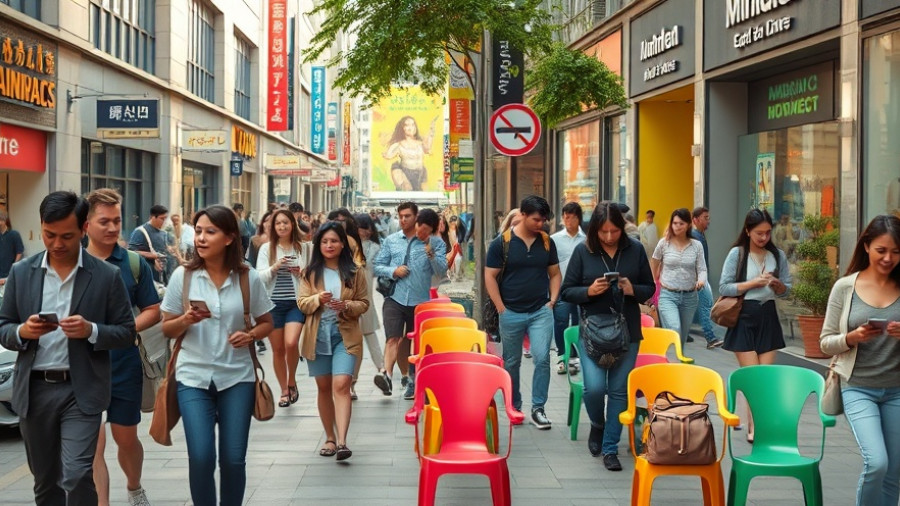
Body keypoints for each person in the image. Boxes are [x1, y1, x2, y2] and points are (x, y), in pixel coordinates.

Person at [0, 191, 135, 505]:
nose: (57, 244)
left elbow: (126, 333)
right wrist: (23, 330)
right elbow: (4, 327)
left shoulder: (106, 276)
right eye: (49, 235)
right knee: (45, 482)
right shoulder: (22, 273)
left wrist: (91, 330)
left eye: (67, 236)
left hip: (81, 390)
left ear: (84, 228)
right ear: (41, 227)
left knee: (74, 473)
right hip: (34, 391)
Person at [160, 205, 274, 506]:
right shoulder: (183, 277)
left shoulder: (248, 278)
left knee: (233, 460)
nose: (201, 237)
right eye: (198, 231)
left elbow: (267, 323)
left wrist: (249, 335)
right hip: (192, 377)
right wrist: (185, 319)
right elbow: (166, 329)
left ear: (229, 238)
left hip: (237, 377)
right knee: (201, 458)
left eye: (210, 231)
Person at [561, 202, 654, 471]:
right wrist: (589, 291)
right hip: (591, 332)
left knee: (617, 392)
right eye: (604, 232)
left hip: (627, 333)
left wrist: (630, 289)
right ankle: (597, 425)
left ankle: (610, 449)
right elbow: (567, 292)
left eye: (614, 231)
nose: (610, 237)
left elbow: (648, 289)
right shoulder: (583, 251)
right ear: (595, 230)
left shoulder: (634, 249)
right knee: (594, 388)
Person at [83, 189, 160, 506]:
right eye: (105, 221)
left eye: (117, 220)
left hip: (124, 362)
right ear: (86, 224)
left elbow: (152, 309)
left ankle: (134, 485)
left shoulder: (132, 263)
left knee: (125, 438)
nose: (113, 227)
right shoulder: (70, 262)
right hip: (83, 365)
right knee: (92, 443)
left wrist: (123, 330)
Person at [820, 214, 900, 506]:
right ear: (866, 246)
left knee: (893, 472)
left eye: (895, 251)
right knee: (877, 462)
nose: (888, 258)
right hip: (858, 387)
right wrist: (851, 338)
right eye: (881, 250)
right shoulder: (845, 287)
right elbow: (825, 342)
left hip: (897, 390)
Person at [484, 196, 561, 430]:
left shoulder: (547, 242)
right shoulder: (502, 243)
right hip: (511, 312)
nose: (541, 224)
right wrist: (500, 307)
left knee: (542, 358)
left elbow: (555, 273)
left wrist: (553, 301)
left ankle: (539, 408)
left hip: (540, 310)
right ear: (524, 215)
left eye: (544, 220)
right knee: (512, 362)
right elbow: (490, 275)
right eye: (536, 219)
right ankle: (514, 405)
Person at [297, 222, 369, 461]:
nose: (329, 245)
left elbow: (364, 303)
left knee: (342, 384)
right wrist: (318, 298)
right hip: (317, 337)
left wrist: (346, 305)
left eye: (334, 241)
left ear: (342, 244)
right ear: (319, 244)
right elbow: (302, 303)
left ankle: (342, 442)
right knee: (324, 387)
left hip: (345, 336)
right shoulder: (310, 273)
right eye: (325, 241)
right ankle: (329, 436)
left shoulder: (354, 272)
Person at [719, 208, 791, 442]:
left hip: (768, 315)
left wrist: (779, 287)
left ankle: (756, 422)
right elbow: (724, 287)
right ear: (748, 231)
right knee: (753, 377)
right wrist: (751, 283)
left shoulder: (778, 255)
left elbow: (786, 291)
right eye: (759, 233)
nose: (764, 238)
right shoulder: (737, 254)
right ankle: (754, 426)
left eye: (768, 233)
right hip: (743, 315)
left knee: (765, 377)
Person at [373, 204, 447, 399]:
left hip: (420, 302)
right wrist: (393, 271)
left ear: (417, 218)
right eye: (401, 216)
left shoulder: (436, 243)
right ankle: (387, 375)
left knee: (415, 343)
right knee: (393, 338)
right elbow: (377, 266)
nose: (404, 220)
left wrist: (430, 251)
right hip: (395, 297)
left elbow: (441, 271)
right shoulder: (391, 241)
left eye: (408, 216)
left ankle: (413, 380)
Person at [256, 210, 307, 408]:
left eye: (285, 223)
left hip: (295, 302)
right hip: (273, 304)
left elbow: (311, 275)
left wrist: (300, 272)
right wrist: (275, 267)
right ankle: (284, 391)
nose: (282, 227)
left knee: (291, 342)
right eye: (278, 224)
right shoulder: (267, 249)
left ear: (292, 225)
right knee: (277, 349)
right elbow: (259, 276)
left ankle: (292, 380)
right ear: (273, 227)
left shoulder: (302, 248)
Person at [650, 208, 708, 347]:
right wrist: (653, 280)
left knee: (681, 337)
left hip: (690, 296)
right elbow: (654, 261)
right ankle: (674, 361)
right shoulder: (664, 243)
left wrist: (701, 281)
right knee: (675, 328)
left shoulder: (696, 245)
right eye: (674, 223)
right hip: (668, 295)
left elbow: (702, 268)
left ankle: (677, 363)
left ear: (688, 225)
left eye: (681, 223)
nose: (677, 226)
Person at [351, 214, 384, 400]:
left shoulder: (375, 248)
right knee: (357, 344)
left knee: (369, 338)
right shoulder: (346, 246)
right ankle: (353, 383)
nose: (361, 231)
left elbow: (369, 268)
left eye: (364, 227)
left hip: (366, 300)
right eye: (358, 227)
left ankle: (382, 371)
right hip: (350, 301)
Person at [551, 202, 586, 375]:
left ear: (578, 218)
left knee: (579, 324)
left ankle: (574, 359)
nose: (568, 220)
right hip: (562, 289)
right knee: (561, 322)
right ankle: (562, 356)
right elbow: (551, 266)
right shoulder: (555, 239)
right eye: (565, 216)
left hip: (581, 290)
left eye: (571, 216)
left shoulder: (586, 240)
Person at [691, 207, 724, 349]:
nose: (708, 221)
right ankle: (711, 338)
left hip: (701, 277)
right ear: (696, 220)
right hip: (699, 279)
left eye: (708, 217)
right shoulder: (694, 236)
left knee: (703, 306)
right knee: (706, 306)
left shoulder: (700, 235)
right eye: (705, 217)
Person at [382, 115, 437, 191]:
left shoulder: (421, 143)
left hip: (420, 174)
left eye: (413, 124)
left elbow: (427, 149)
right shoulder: (399, 144)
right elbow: (388, 156)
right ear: (402, 128)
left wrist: (432, 130)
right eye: (407, 125)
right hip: (405, 174)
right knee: (407, 190)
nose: (410, 128)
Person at [129, 205, 174, 284]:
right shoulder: (140, 231)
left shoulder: (163, 233)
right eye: (162, 218)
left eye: (165, 218)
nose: (164, 221)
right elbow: (131, 252)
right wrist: (153, 256)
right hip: (147, 278)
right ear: (153, 217)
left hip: (163, 277)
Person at [0, 211, 24, 290]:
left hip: (9, 273)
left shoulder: (14, 234)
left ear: (4, 221)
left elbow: (20, 251)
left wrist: (14, 266)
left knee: (6, 299)